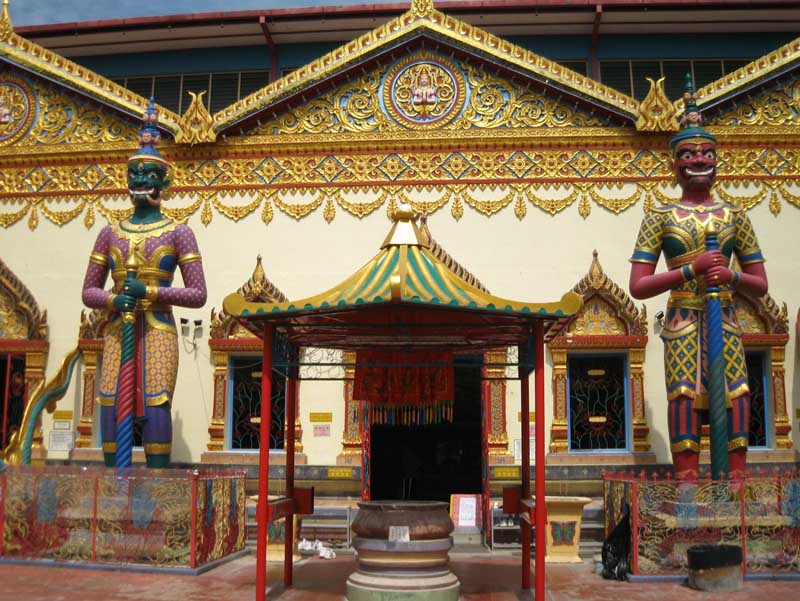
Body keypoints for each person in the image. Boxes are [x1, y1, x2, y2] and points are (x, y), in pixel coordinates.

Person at [628, 76, 768, 480]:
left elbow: (760, 284)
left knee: (737, 397)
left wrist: (730, 274)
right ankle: (688, 491)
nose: (699, 160)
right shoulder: (660, 216)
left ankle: (734, 490)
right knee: (684, 399)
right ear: (674, 164)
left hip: (726, 318)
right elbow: (638, 285)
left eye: (707, 153)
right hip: (683, 319)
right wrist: (692, 269)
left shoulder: (735, 216)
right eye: (688, 154)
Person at [81, 98, 207, 468]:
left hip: (158, 326)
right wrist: (113, 300)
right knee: (109, 401)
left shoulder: (178, 232)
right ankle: (112, 482)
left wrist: (149, 291)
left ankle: (157, 482)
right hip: (117, 325)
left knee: (156, 402)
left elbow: (198, 294)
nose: (141, 181)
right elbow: (88, 291)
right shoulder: (110, 233)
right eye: (136, 175)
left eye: (151, 175)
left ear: (165, 182)